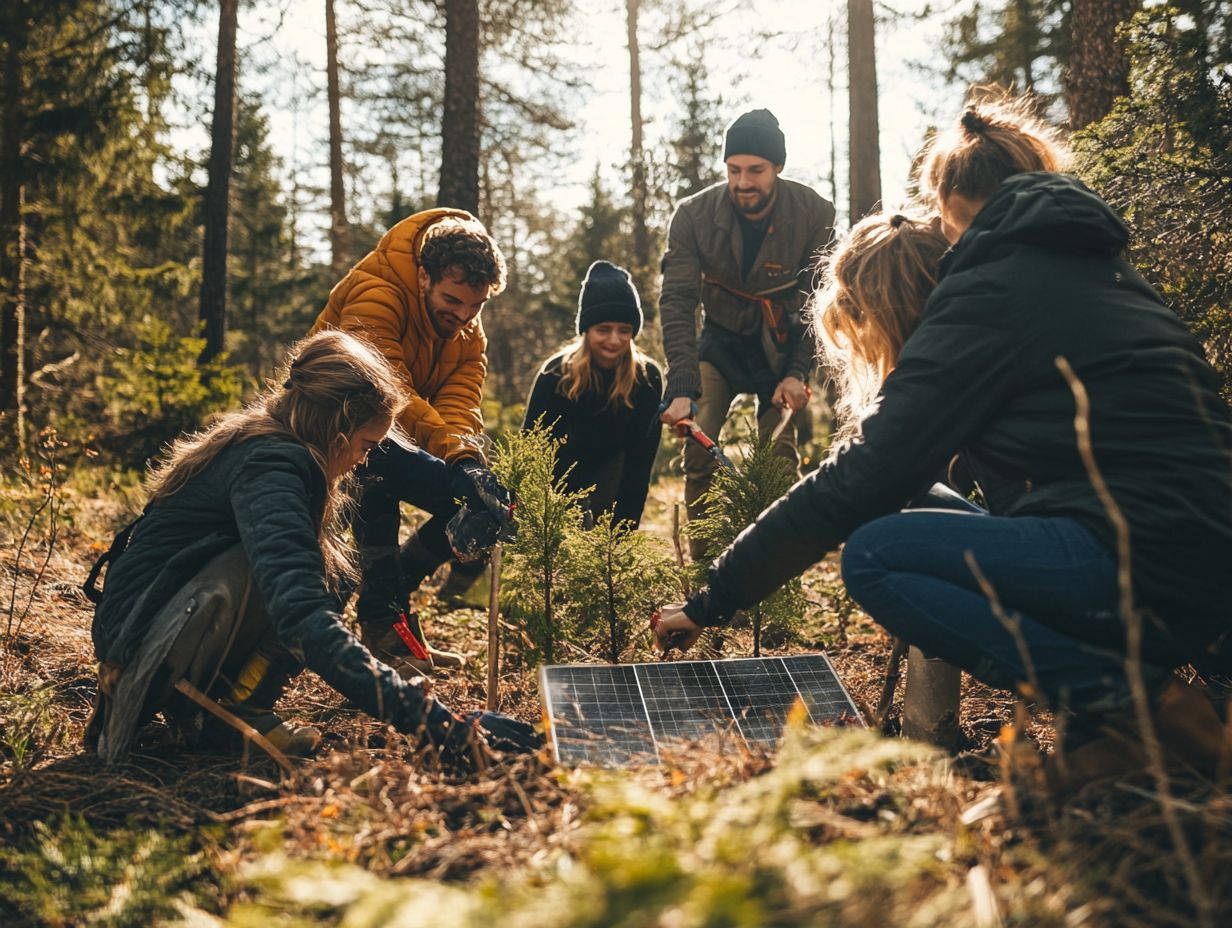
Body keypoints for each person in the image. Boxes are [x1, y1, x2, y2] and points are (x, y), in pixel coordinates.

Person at [653, 97, 1232, 786]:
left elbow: (857, 480)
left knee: (877, 557)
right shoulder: (1089, 266)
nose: (942, 233)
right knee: (923, 498)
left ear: (959, 206)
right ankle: (1104, 741)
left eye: (943, 216)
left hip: (1146, 554)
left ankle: (1145, 710)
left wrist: (712, 599)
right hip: (1185, 543)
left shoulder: (990, 289)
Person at [84, 330, 538, 768]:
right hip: (142, 637)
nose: (364, 460)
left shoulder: (281, 441)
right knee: (297, 574)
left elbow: (402, 470)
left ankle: (239, 705)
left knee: (336, 569)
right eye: (365, 446)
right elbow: (303, 618)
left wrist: (460, 482)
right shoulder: (271, 466)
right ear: (337, 427)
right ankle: (225, 708)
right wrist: (437, 723)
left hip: (155, 621)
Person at [310, 209, 515, 676]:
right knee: (381, 487)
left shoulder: (467, 332)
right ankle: (376, 631)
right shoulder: (377, 292)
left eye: (475, 306)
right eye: (451, 300)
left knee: (484, 500)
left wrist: (464, 456)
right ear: (423, 274)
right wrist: (455, 458)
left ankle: (388, 618)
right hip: (333, 431)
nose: (462, 316)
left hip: (384, 436)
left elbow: (460, 402)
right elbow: (389, 390)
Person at [657, 108, 835, 557]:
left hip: (782, 346)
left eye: (755, 170)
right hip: (719, 344)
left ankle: (773, 572)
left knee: (777, 460)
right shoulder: (693, 215)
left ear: (777, 167)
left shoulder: (815, 212)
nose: (743, 182)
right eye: (733, 169)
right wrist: (681, 384)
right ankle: (707, 571)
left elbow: (819, 302)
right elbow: (678, 300)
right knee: (700, 447)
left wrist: (798, 374)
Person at [523, 261, 663, 528]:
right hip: (558, 480)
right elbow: (533, 447)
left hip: (611, 482)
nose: (614, 340)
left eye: (624, 330)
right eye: (603, 330)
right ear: (586, 330)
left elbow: (640, 463)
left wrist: (622, 533)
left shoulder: (647, 378)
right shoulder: (556, 373)